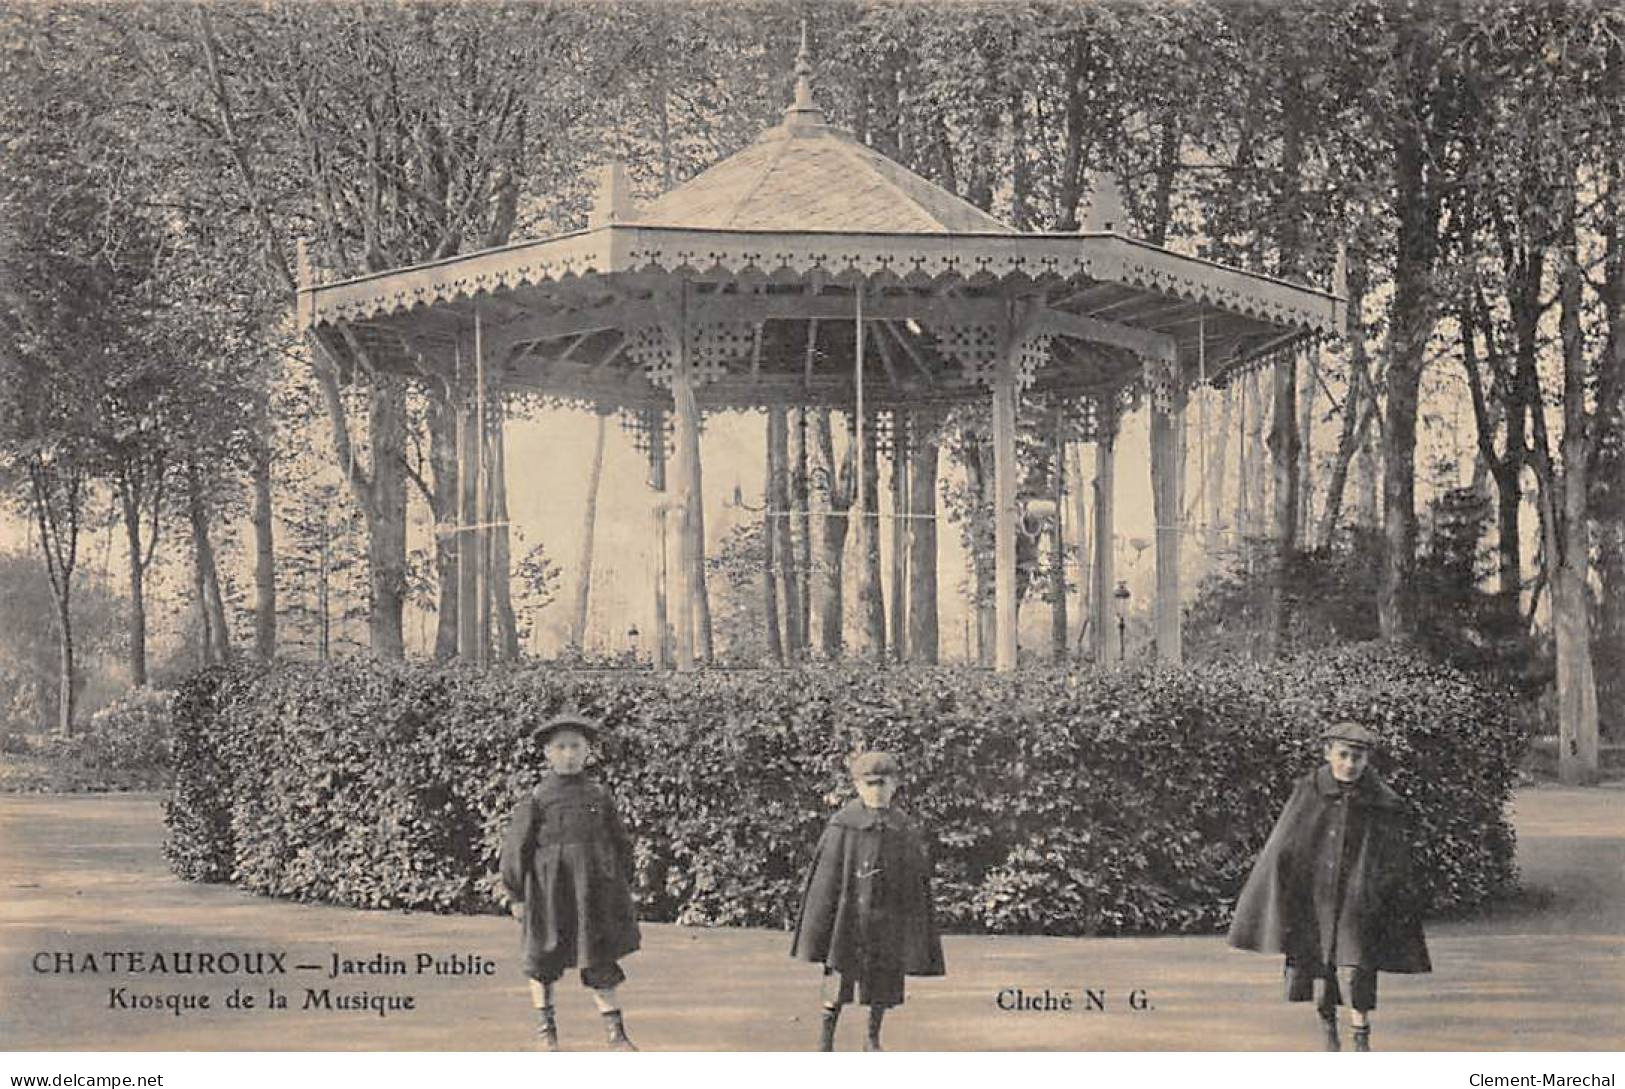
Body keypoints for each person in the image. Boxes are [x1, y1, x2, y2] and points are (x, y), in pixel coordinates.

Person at [1227, 721, 1432, 1052]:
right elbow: (1285, 843)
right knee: (1319, 965)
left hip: (1358, 898)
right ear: (1328, 753)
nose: (1350, 764)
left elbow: (1393, 855)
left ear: (1368, 760)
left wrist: (1381, 887)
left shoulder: (1382, 801)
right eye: (1344, 755)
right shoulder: (1308, 791)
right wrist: (1282, 886)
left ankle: (1361, 1034)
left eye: (1358, 757)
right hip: (1316, 896)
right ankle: (1328, 1034)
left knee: (1357, 966)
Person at [499, 713, 641, 1051]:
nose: (568, 754)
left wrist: (623, 881)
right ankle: (545, 1031)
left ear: (588, 751)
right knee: (542, 957)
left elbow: (620, 843)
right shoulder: (537, 798)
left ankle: (616, 1034)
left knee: (599, 957)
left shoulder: (599, 796)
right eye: (560, 747)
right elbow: (516, 847)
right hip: (549, 893)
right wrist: (516, 895)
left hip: (593, 892)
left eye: (575, 746)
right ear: (547, 753)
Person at [791, 750, 945, 1051]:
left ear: (895, 785)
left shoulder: (903, 827)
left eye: (882, 783)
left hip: (887, 919)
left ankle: (872, 1038)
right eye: (869, 784)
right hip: (848, 919)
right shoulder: (843, 825)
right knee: (837, 979)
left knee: (885, 980)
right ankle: (825, 1040)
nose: (876, 790)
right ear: (857, 786)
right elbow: (826, 881)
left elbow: (914, 881)